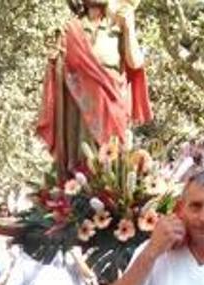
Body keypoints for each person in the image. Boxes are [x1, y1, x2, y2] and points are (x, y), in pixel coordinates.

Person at [36, 0, 152, 176]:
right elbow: (60, 68)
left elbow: (135, 63)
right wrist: (56, 61)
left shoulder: (118, 25)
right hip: (78, 107)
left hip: (111, 103)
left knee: (112, 157)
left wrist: (129, 28)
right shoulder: (70, 29)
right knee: (82, 159)